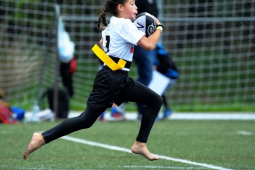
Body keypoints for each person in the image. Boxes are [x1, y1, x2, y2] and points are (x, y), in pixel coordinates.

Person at [23, 0, 164, 161]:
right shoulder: (125, 25)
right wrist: (159, 27)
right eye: (132, 4)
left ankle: (140, 144)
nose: (136, 7)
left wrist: (112, 64)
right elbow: (149, 45)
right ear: (120, 7)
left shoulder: (114, 23)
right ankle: (42, 137)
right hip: (112, 78)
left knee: (155, 100)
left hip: (118, 77)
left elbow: (100, 46)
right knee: (86, 120)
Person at [133, 0, 159, 120]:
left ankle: (124, 98)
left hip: (149, 41)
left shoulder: (151, 2)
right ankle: (123, 98)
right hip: (141, 42)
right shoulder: (139, 2)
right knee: (147, 76)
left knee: (148, 76)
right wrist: (159, 28)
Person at [154, 43, 179, 120]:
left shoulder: (160, 54)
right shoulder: (159, 53)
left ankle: (157, 113)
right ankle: (166, 110)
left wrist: (157, 69)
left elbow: (166, 66)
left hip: (170, 77)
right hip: (167, 76)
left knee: (157, 92)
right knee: (158, 92)